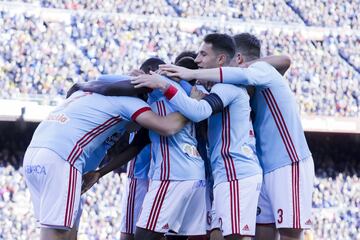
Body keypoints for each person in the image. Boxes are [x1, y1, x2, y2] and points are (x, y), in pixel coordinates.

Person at [157, 33, 315, 240]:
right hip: (260, 165)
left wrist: (188, 74)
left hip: (288, 161)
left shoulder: (260, 71)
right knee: (262, 229)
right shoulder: (235, 87)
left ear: (238, 59)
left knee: (289, 233)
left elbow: (283, 61)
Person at [22, 58, 188, 240]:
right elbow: (167, 126)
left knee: (66, 233)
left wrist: (100, 172)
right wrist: (191, 105)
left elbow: (137, 143)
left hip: (35, 155)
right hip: (63, 159)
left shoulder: (90, 91)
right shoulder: (129, 102)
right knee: (58, 235)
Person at [132, 33, 263, 240]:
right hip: (224, 173)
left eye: (203, 54)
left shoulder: (228, 87)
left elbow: (199, 111)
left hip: (236, 172)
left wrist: (165, 85)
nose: (198, 60)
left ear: (220, 59)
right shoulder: (213, 87)